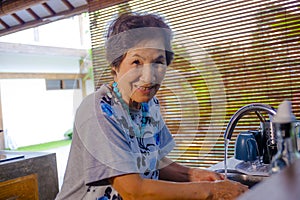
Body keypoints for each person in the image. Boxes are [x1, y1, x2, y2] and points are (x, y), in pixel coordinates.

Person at [55, 12, 248, 200]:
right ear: (115, 65)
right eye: (136, 62)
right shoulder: (99, 109)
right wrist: (212, 192)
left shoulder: (149, 105)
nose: (148, 77)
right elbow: (134, 192)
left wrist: (193, 175)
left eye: (158, 62)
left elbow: (153, 162)